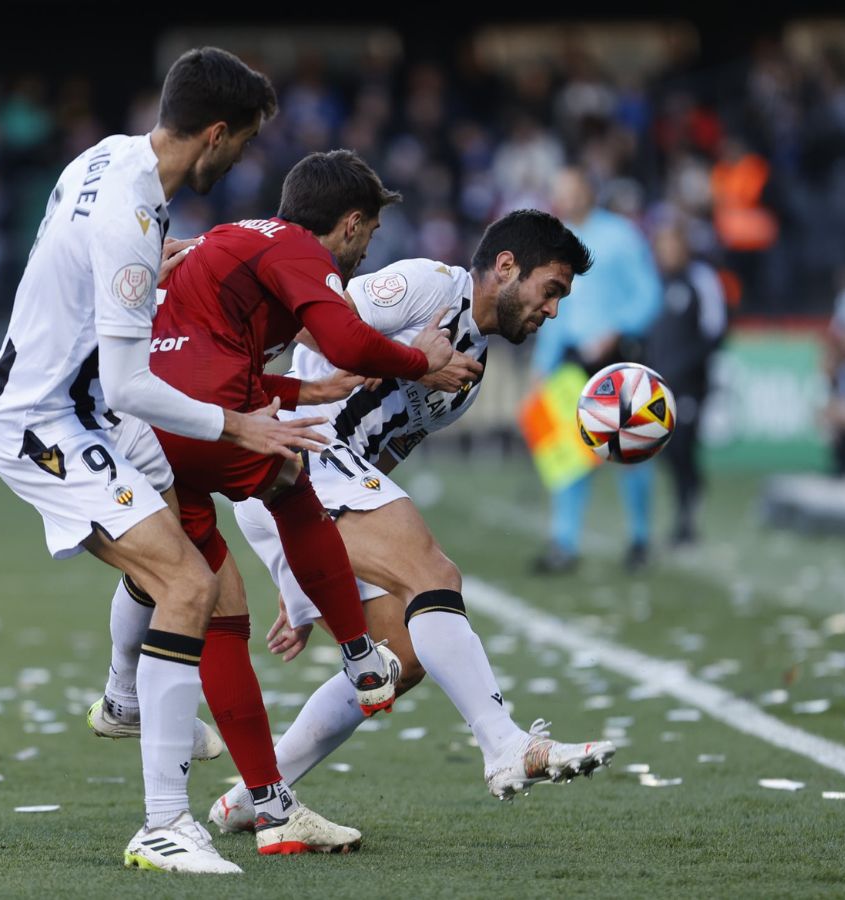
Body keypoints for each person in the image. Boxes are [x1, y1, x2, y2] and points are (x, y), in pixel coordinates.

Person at [0, 47, 335, 875]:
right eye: (243, 142)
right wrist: (241, 427)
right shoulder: (134, 215)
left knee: (187, 552)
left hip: (78, 406)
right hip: (49, 422)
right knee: (187, 582)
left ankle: (122, 697)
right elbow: (131, 383)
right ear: (214, 134)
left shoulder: (105, 156)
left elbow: (74, 262)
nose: (243, 157)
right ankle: (164, 824)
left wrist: (146, 272)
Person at [202, 210, 616, 834]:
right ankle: (504, 745)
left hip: (322, 479)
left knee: (403, 652)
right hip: (293, 446)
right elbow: (313, 323)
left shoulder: (469, 376)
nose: (552, 310)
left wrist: (308, 572)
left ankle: (259, 795)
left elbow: (385, 456)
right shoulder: (428, 286)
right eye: (550, 290)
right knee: (432, 571)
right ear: (506, 267)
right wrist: (408, 359)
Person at [90, 149, 454, 856]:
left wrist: (299, 391)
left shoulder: (225, 239)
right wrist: (422, 361)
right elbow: (347, 337)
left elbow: (193, 354)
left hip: (148, 427)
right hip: (196, 418)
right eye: (369, 235)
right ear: (349, 224)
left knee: (216, 611)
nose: (364, 250)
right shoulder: (291, 244)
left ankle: (273, 809)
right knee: (293, 478)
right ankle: (362, 658)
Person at [530, 168, 662, 573]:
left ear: (589, 192)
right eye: (559, 193)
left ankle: (640, 539)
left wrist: (617, 328)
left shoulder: (621, 236)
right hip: (571, 361)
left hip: (617, 358)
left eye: (571, 191)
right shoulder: (555, 242)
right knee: (566, 453)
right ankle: (563, 543)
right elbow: (552, 308)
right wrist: (542, 365)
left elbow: (648, 294)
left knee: (631, 448)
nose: (565, 199)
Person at [645, 217, 727, 545]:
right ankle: (684, 509)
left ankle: (687, 515)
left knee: (683, 446)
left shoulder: (702, 279)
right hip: (655, 385)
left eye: (673, 244)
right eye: (662, 246)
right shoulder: (653, 282)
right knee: (665, 451)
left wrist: (684, 366)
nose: (668, 252)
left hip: (690, 383)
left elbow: (715, 331)